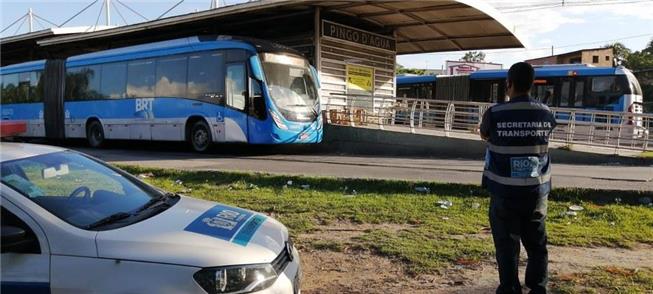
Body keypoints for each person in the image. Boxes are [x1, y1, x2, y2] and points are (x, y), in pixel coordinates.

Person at [479, 62, 557, 294]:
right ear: (532, 85)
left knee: (506, 245)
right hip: (536, 191)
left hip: (504, 193)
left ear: (509, 84)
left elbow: (485, 134)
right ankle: (538, 287)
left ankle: (510, 288)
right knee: (537, 245)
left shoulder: (495, 113)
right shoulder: (546, 112)